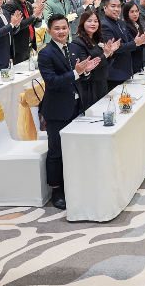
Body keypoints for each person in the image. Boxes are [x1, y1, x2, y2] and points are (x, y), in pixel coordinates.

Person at [39, 14, 98, 210]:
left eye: (64, 27)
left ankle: (74, 183)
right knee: (56, 151)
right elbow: (52, 82)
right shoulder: (45, 54)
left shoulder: (73, 48)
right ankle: (57, 191)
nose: (61, 31)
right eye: (57, 28)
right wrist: (76, 73)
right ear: (49, 31)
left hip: (76, 105)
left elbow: (80, 77)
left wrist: (85, 71)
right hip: (57, 109)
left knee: (74, 148)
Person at [70, 10, 117, 109]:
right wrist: (105, 55)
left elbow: (106, 63)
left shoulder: (98, 39)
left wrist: (110, 53)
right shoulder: (77, 42)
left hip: (102, 81)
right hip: (89, 85)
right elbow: (85, 66)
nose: (93, 24)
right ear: (82, 23)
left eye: (96, 21)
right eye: (89, 21)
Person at [100, 0, 145, 86]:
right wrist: (135, 43)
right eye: (113, 6)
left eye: (119, 6)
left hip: (126, 69)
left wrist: (143, 40)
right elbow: (114, 48)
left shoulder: (121, 22)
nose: (116, 9)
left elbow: (131, 42)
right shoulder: (104, 25)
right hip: (114, 72)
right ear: (105, 8)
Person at [3, 0, 45, 65]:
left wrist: (39, 17)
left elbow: (36, 25)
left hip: (30, 44)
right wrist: (34, 16)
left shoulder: (28, 4)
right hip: (18, 46)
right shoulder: (10, 5)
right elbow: (16, 26)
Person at [122, 1, 145, 74]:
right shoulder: (126, 27)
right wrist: (141, 41)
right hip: (131, 62)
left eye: (136, 11)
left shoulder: (137, 24)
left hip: (139, 60)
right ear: (126, 13)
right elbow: (132, 46)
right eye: (132, 12)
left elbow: (142, 45)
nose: (135, 14)